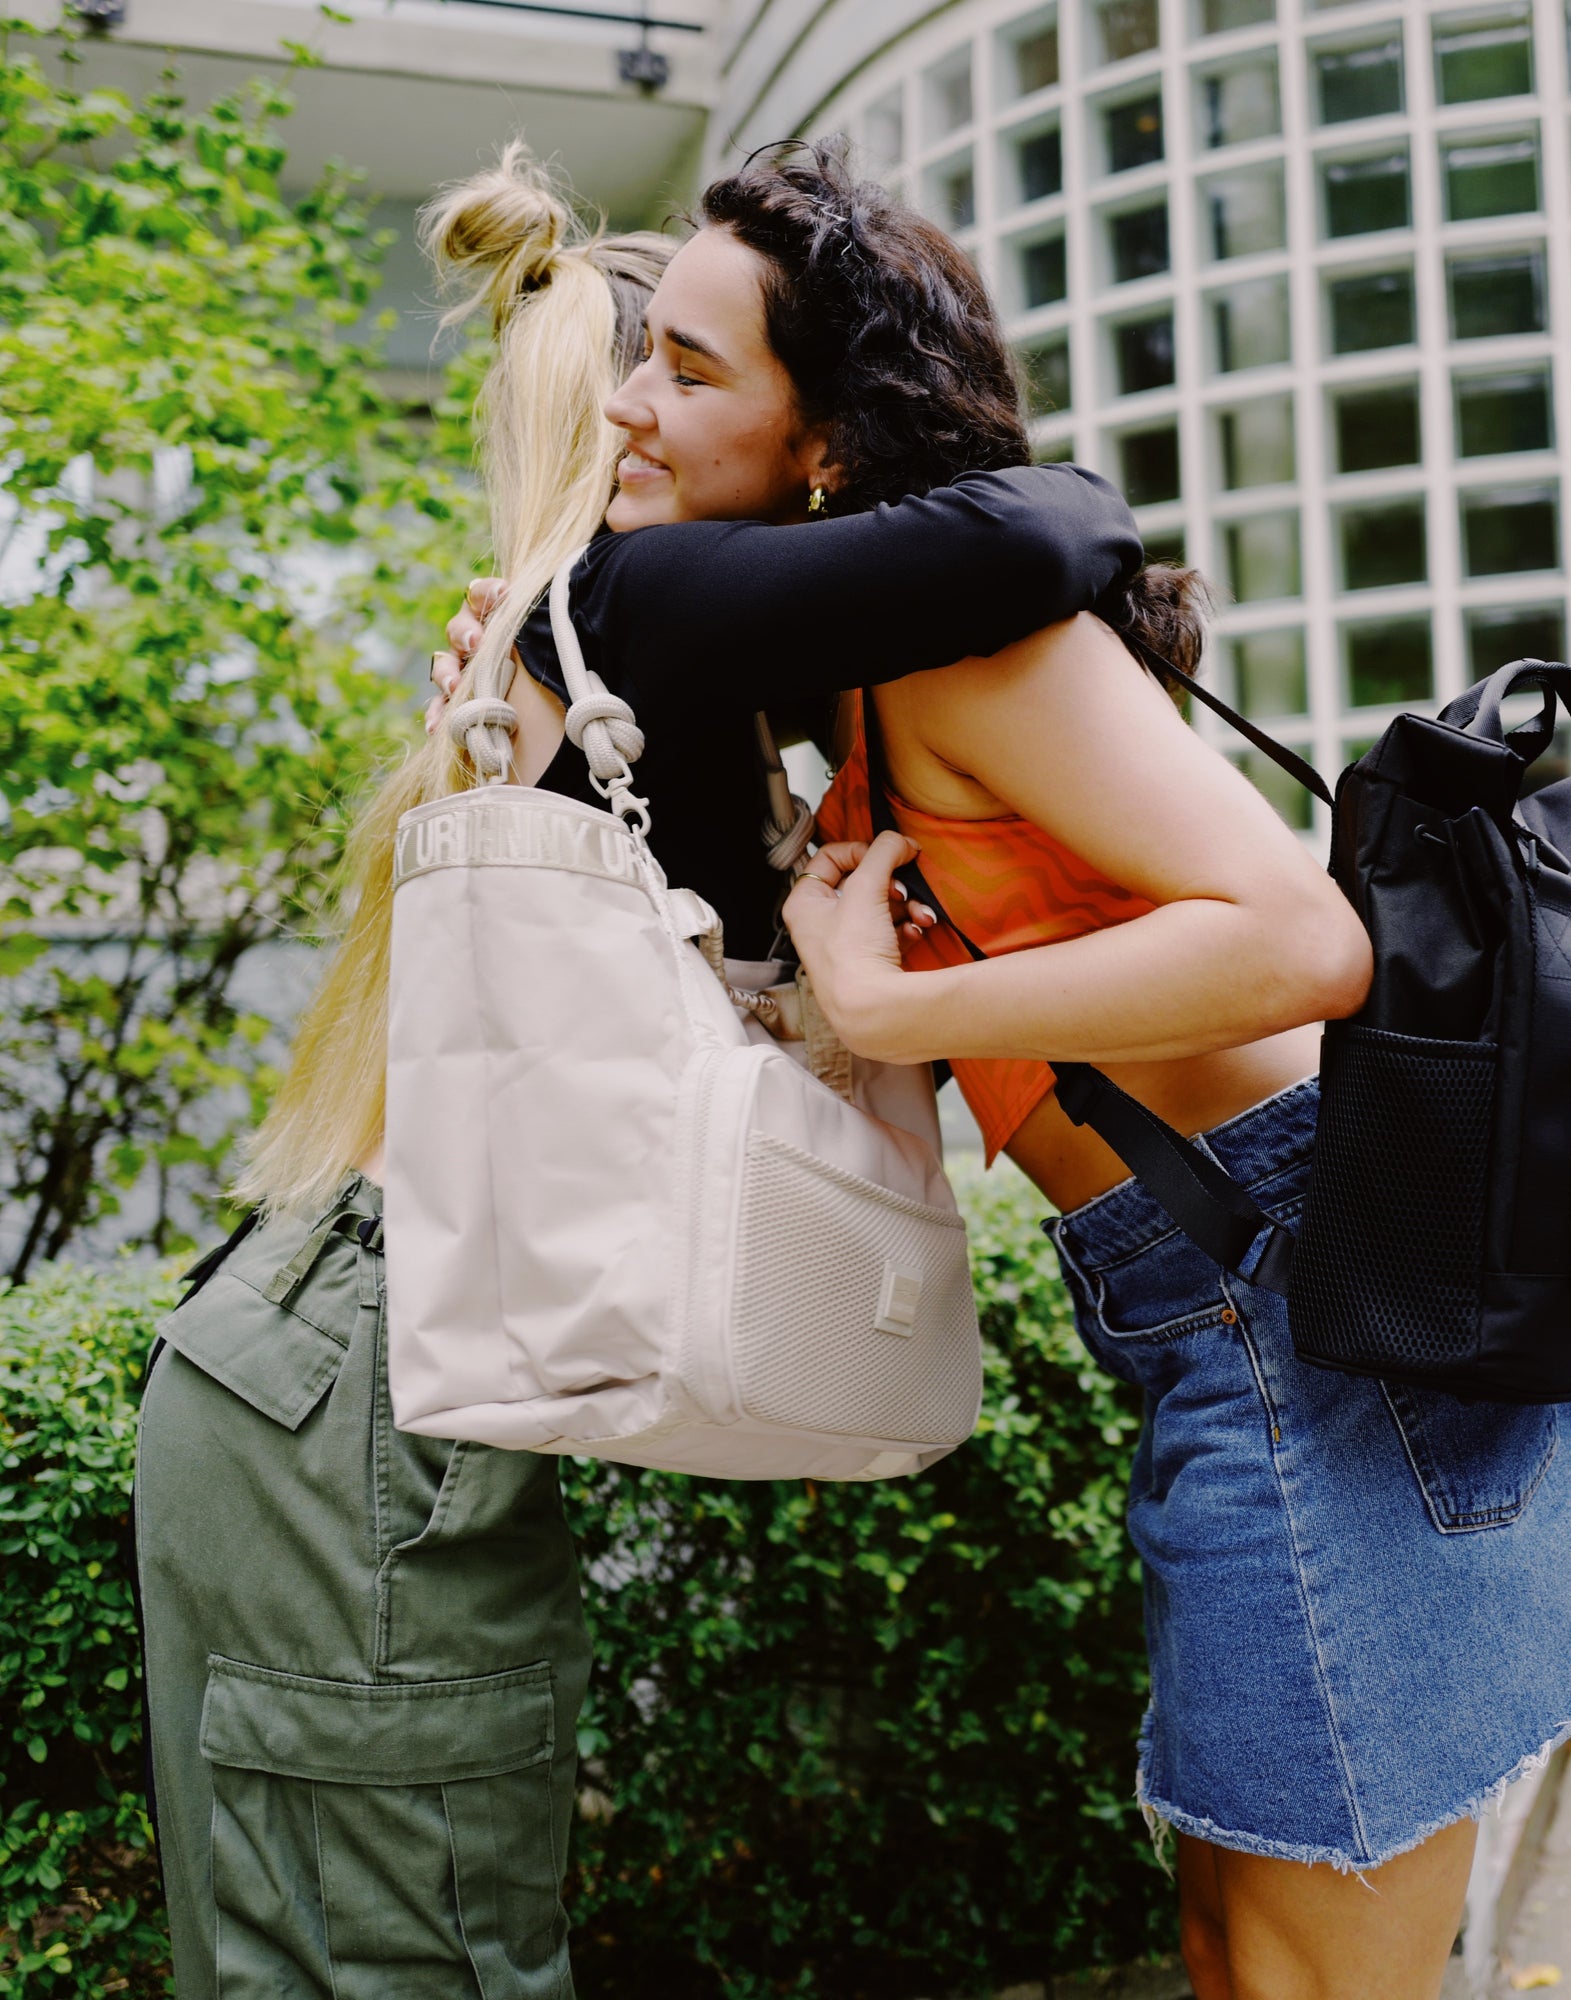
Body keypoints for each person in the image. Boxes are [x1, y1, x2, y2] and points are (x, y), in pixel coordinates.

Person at [436, 142, 1571, 2000]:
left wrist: (892, 1016)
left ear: (826, 443)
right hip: (1230, 1320)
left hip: (1309, 1317)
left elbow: (1301, 938)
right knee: (1237, 1945)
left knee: (1299, 1971)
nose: (634, 401)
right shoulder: (860, 685)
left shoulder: (963, 657)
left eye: (695, 370)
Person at [133, 145, 1149, 2000]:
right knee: (409, 1954)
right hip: (351, 1406)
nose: (646, 410)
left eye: (691, 374)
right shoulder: (634, 611)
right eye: (647, 375)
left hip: (320, 1370)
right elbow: (1054, 527)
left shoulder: (636, 661)